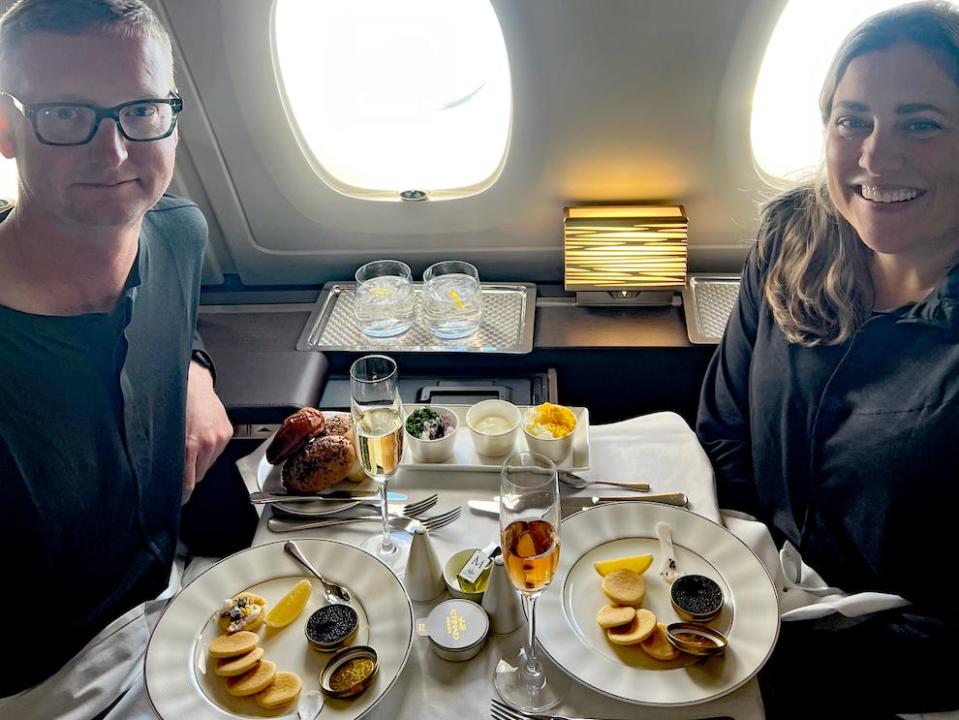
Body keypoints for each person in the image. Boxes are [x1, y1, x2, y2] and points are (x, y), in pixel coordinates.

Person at [697, 2, 959, 716]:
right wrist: (731, 593)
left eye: (921, 123)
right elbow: (722, 433)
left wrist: (796, 656)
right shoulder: (790, 238)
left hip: (897, 671)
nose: (876, 156)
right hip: (746, 601)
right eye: (852, 121)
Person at [0, 0, 234, 716]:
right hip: (47, 681)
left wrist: (194, 368)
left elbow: (164, 324)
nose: (114, 153)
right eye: (67, 115)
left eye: (139, 110)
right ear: (6, 129)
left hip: (175, 592)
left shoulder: (176, 232)